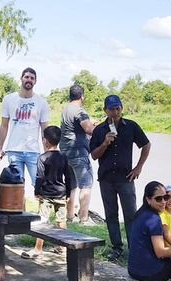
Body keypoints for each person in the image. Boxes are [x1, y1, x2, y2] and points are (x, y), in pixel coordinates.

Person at [89, 95, 151, 261]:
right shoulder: (99, 130)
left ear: (121, 108)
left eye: (118, 108)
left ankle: (134, 248)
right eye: (111, 109)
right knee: (111, 214)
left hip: (126, 178)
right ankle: (116, 247)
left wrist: (138, 167)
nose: (115, 112)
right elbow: (94, 156)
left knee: (131, 214)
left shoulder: (130, 126)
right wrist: (104, 143)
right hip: (106, 179)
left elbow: (146, 144)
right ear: (105, 111)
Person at [22, 126, 76, 259]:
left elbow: (39, 177)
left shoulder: (42, 158)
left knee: (42, 221)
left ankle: (38, 248)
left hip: (46, 194)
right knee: (61, 221)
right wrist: (68, 193)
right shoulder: (63, 157)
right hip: (61, 193)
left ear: (45, 141)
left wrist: (37, 191)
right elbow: (68, 177)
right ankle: (62, 247)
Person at [0, 67, 50, 184]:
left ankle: (42, 202)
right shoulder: (9, 99)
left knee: (39, 184)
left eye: (32, 78)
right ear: (21, 78)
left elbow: (44, 129)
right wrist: (0, 148)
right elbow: (4, 125)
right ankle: (20, 203)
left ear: (35, 81)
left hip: (33, 151)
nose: (29, 80)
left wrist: (47, 152)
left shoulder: (41, 102)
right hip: (14, 150)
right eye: (26, 77)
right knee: (16, 186)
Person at [59, 84, 97, 225]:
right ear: (82, 96)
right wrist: (96, 127)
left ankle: (69, 216)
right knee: (86, 185)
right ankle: (83, 218)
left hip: (65, 151)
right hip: (78, 151)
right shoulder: (80, 110)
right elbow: (88, 129)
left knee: (72, 185)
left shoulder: (66, 109)